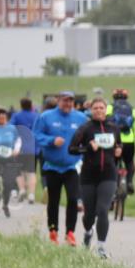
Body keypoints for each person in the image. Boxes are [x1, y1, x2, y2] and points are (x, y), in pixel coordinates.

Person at [69, 97, 123, 258]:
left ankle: (101, 246)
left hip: (108, 174)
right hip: (88, 176)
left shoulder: (114, 128)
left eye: (101, 107)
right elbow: (71, 149)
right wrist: (87, 148)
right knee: (89, 214)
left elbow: (119, 146)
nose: (99, 110)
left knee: (103, 210)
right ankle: (87, 231)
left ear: (106, 110)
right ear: (91, 110)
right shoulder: (85, 128)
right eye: (95, 108)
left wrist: (119, 151)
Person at [33, 91, 88, 245]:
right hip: (52, 166)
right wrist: (51, 140)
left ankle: (70, 233)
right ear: (58, 101)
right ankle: (53, 231)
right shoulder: (46, 117)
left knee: (72, 199)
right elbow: (36, 135)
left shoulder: (80, 118)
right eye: (65, 101)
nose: (68, 104)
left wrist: (86, 151)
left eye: (70, 101)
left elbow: (88, 136)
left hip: (72, 166)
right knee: (54, 201)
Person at [107, 88, 135, 194]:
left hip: (114, 140)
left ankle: (113, 186)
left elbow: (106, 124)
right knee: (129, 162)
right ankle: (129, 182)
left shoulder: (110, 107)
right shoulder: (132, 109)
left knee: (113, 163)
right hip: (129, 140)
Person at [9, 97, 39, 204]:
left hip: (19, 148)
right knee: (31, 172)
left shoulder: (17, 116)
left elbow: (10, 128)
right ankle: (31, 194)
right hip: (33, 148)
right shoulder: (36, 116)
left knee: (19, 171)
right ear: (31, 105)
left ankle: (22, 190)